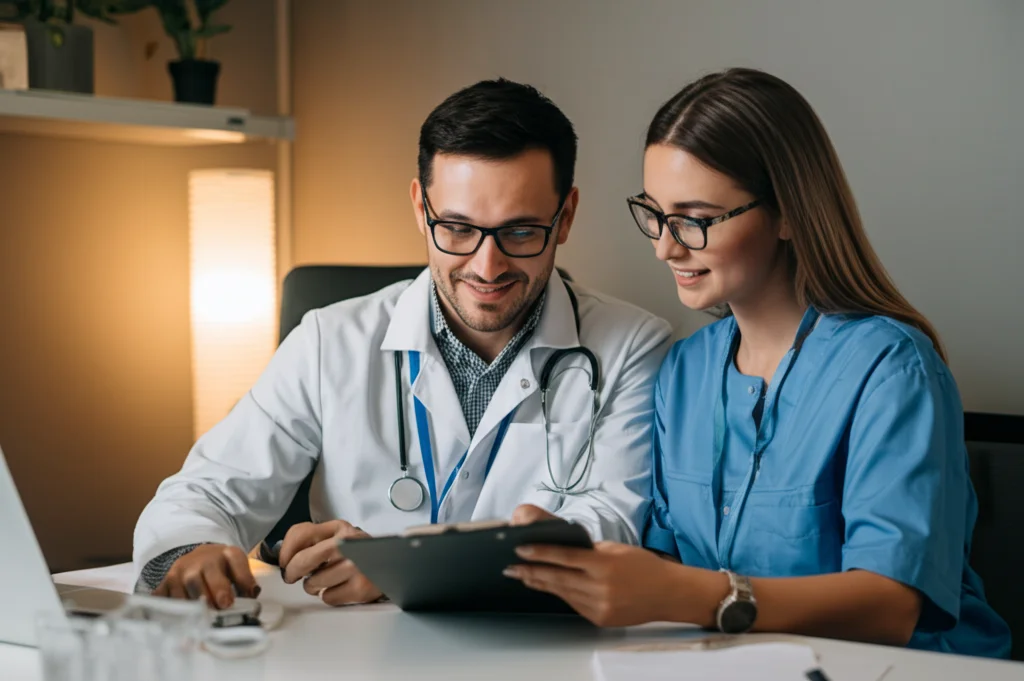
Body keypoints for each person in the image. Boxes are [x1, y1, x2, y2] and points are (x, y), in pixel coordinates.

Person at [505, 68, 1011, 658]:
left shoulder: (893, 369)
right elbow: (664, 562)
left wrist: (694, 596)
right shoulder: (685, 372)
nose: (666, 245)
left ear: (788, 213)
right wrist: (573, 564)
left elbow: (893, 605)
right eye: (654, 213)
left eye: (694, 218)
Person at [132, 78, 672, 609]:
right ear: (420, 207)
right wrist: (195, 552)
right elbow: (207, 490)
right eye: (457, 229)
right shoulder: (330, 341)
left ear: (566, 216)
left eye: (521, 232)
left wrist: (401, 566)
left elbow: (611, 531)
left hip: (535, 654)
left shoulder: (632, 348)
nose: (488, 267)